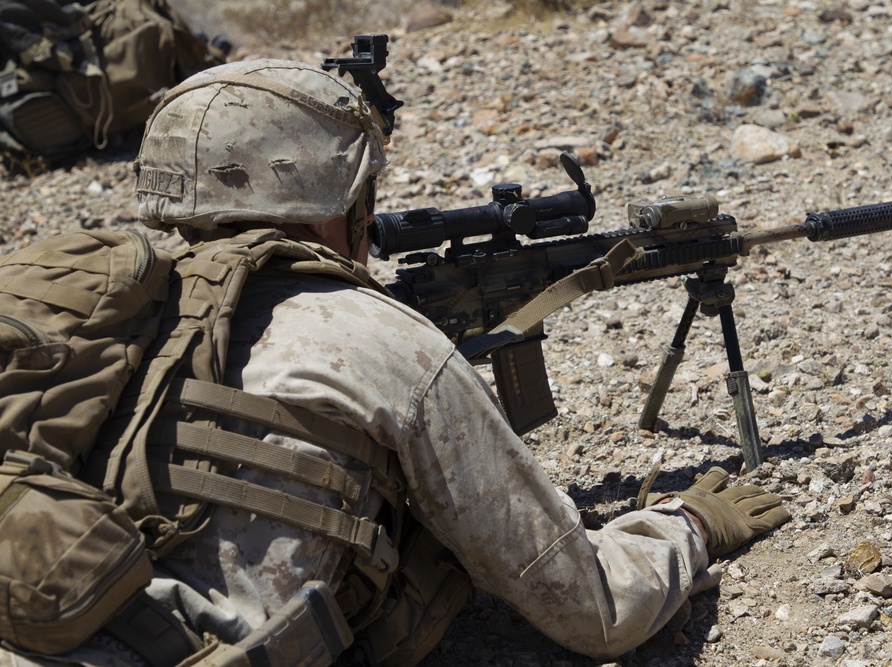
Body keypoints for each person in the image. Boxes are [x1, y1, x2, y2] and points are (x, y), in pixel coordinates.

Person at [0, 59, 788, 667]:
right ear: (336, 196)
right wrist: (686, 527)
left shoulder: (111, 308)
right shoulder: (377, 338)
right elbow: (593, 606)